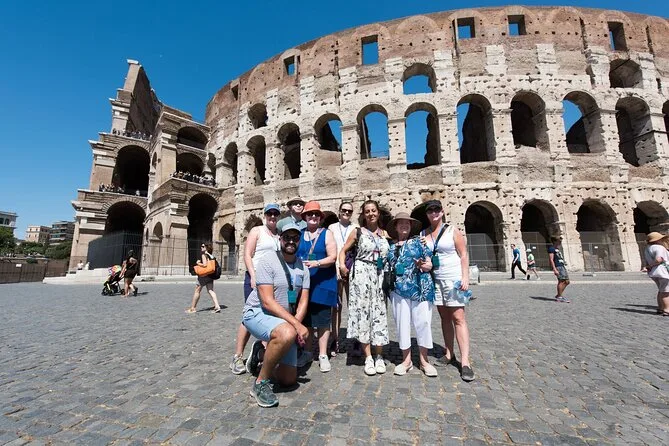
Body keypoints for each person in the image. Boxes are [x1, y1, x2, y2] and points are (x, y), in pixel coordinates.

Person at [242, 223, 310, 407]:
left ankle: (260, 353)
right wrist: (296, 326)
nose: (290, 241)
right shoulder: (268, 261)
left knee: (288, 380)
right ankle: (260, 384)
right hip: (257, 312)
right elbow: (267, 302)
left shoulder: (303, 268)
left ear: (299, 241)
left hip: (284, 320)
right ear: (280, 239)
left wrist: (297, 324)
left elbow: (303, 301)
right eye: (287, 237)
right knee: (286, 333)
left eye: (295, 238)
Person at [423, 200, 475, 382]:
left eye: (437, 209)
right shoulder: (424, 234)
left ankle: (465, 362)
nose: (434, 213)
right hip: (436, 280)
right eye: (430, 210)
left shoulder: (453, 230)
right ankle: (449, 353)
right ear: (427, 214)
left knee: (459, 318)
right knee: (444, 318)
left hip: (454, 279)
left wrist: (465, 277)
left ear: (442, 211)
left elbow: (463, 254)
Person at [338, 199, 389, 376]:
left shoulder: (385, 234)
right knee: (363, 313)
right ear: (363, 215)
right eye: (367, 211)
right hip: (361, 275)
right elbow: (343, 250)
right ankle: (368, 357)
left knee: (379, 313)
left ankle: (379, 356)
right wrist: (342, 266)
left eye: (373, 210)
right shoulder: (357, 231)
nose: (371, 214)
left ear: (378, 213)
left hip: (379, 275)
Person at [230, 203, 281, 375]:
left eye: (275, 214)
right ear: (265, 215)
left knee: (269, 317)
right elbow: (247, 254)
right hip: (256, 279)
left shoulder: (279, 235)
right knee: (249, 316)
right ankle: (237, 356)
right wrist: (252, 275)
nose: (272, 216)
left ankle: (263, 353)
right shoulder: (257, 231)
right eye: (269, 213)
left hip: (272, 282)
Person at [386, 212, 437, 377]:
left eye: (407, 223)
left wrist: (426, 265)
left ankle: (424, 361)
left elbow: (430, 262)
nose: (404, 225)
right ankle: (406, 360)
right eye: (400, 223)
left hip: (421, 288)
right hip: (399, 290)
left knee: (423, 323)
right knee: (402, 324)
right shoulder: (390, 246)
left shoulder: (419, 242)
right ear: (395, 227)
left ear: (411, 226)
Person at [296, 201, 338, 372]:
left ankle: (322, 354)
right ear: (305, 217)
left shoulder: (326, 234)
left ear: (320, 218)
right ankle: (307, 352)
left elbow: (333, 257)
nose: (313, 216)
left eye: (316, 214)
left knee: (322, 321)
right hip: (304, 286)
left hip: (323, 283)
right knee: (306, 320)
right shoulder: (299, 234)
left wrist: (317, 263)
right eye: (310, 214)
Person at [327, 201, 357, 357]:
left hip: (352, 270)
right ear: (339, 211)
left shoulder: (356, 227)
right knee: (336, 307)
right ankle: (335, 338)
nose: (346, 213)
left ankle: (356, 338)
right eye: (344, 210)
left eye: (349, 211)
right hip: (336, 270)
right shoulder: (332, 228)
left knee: (354, 305)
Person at [186, 243, 221, 313]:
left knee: (197, 291)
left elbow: (205, 265)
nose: (201, 247)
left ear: (206, 248)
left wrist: (198, 263)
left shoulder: (204, 255)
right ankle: (217, 306)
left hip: (204, 276)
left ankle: (193, 308)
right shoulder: (211, 255)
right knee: (210, 290)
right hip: (210, 275)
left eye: (203, 246)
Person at [643, 232, 669, 316]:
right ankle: (667, 309)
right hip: (663, 272)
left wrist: (649, 266)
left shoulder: (647, 248)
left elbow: (647, 261)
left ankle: (660, 308)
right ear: (658, 240)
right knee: (666, 292)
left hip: (654, 272)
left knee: (661, 290)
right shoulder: (659, 247)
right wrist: (651, 265)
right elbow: (659, 259)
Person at [548, 236, 570, 303]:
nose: (560, 242)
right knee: (561, 281)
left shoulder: (557, 248)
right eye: (559, 241)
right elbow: (551, 259)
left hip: (562, 266)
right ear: (555, 241)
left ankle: (558, 295)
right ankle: (560, 297)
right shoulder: (551, 248)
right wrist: (554, 269)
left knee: (567, 281)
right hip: (558, 267)